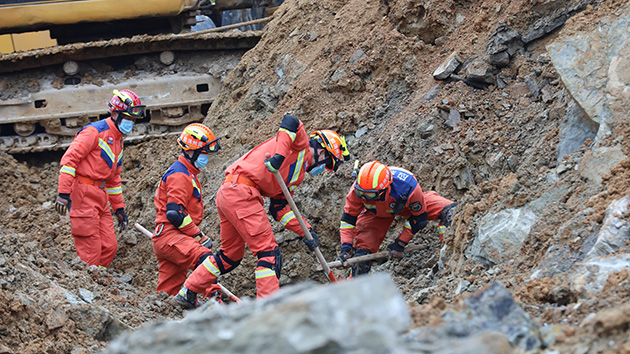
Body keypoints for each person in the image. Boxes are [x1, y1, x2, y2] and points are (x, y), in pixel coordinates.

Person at [174, 114, 350, 308]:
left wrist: (305, 231)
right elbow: (290, 122)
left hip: (230, 193)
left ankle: (188, 292)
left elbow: (279, 208)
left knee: (229, 256)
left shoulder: (297, 176)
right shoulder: (299, 146)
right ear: (322, 152)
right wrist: (279, 157)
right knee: (269, 254)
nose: (324, 169)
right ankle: (266, 311)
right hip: (242, 193)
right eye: (328, 163)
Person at [54, 89, 145, 268]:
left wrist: (119, 208)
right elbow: (69, 161)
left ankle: (97, 281)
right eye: (128, 118)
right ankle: (89, 286)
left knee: (109, 246)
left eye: (133, 120)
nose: (130, 123)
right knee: (90, 250)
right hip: (83, 193)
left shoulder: (118, 140)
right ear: (115, 114)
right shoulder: (93, 132)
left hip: (100, 195)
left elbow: (113, 179)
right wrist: (63, 193)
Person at [336, 160, 456, 276]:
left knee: (450, 211)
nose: (365, 198)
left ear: (385, 188)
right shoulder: (360, 189)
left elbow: (418, 220)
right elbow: (348, 219)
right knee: (361, 255)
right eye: (362, 194)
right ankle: (358, 283)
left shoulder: (408, 186)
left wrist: (400, 244)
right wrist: (346, 246)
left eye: (370, 195)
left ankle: (450, 257)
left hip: (405, 205)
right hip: (376, 213)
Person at [152, 123, 222, 302]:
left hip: (169, 238)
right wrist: (198, 235)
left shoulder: (186, 172)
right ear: (191, 151)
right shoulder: (180, 175)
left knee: (169, 292)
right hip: (172, 236)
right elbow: (175, 213)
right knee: (206, 260)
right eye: (204, 152)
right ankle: (215, 300)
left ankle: (166, 317)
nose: (206, 157)